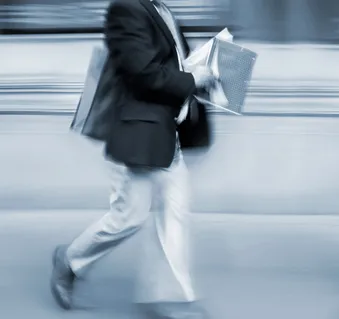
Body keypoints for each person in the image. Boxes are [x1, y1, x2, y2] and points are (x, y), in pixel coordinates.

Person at [50, 0, 216, 317]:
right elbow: (142, 72)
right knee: (129, 216)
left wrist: (207, 74)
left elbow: (176, 64)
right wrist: (195, 80)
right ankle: (69, 260)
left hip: (169, 131)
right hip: (138, 132)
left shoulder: (161, 9)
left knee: (174, 212)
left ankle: (168, 299)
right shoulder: (125, 8)